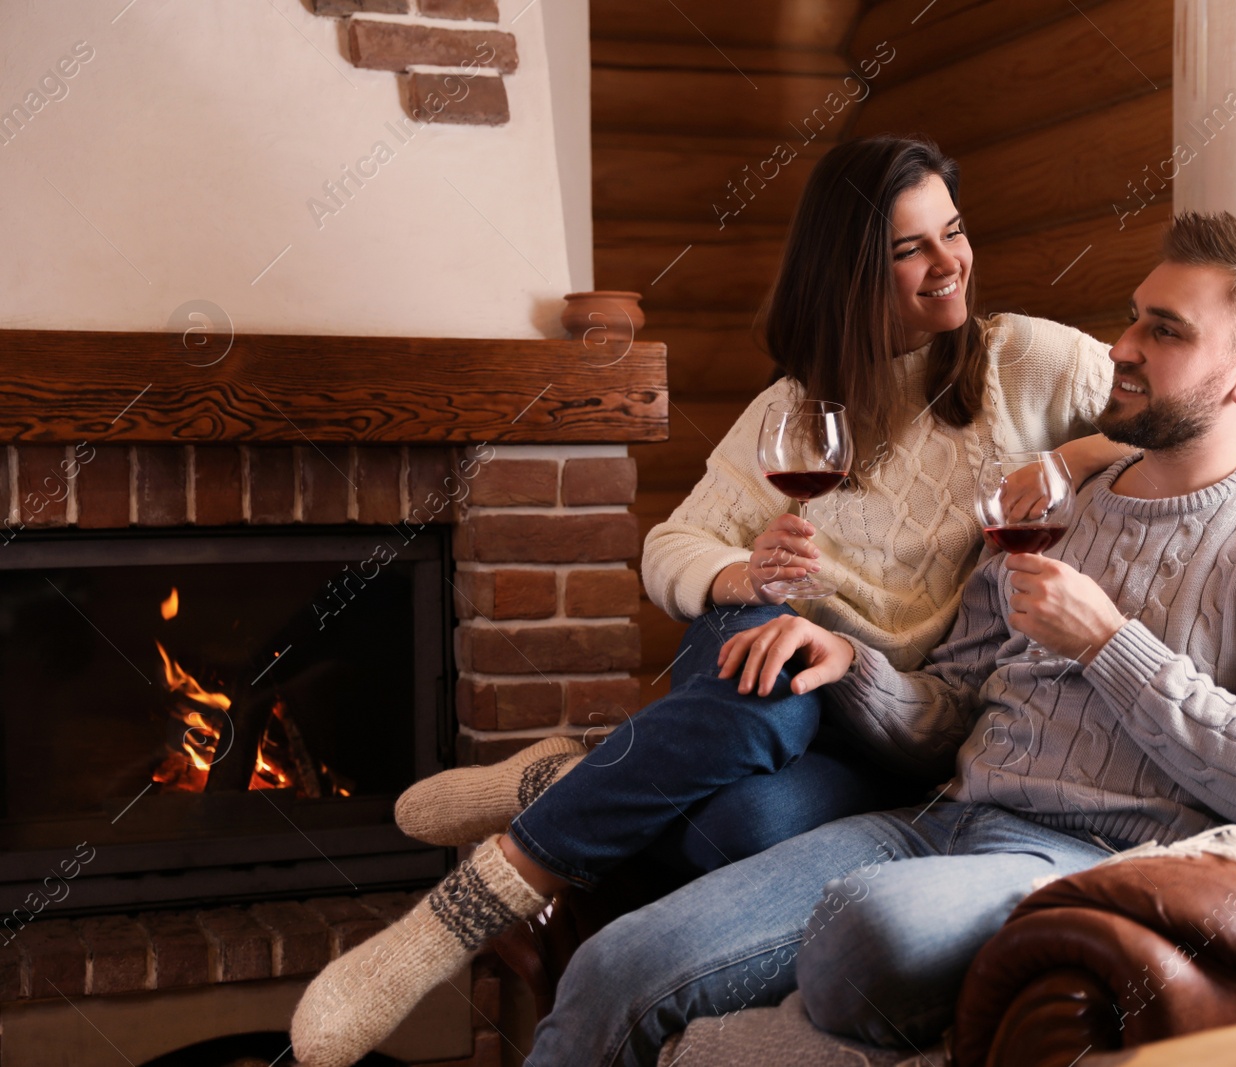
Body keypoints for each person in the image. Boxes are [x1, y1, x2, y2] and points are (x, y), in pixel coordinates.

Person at [290, 135, 1124, 1067]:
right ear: (851, 270)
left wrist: (1069, 459)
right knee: (770, 696)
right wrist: (745, 574)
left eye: (954, 233)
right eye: (910, 248)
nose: (949, 263)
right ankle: (453, 920)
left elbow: (1165, 418)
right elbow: (670, 547)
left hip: (884, 716)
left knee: (745, 826)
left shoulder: (1027, 360)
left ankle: (579, 775)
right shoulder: (794, 408)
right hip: (760, 667)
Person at [520, 211, 1236, 1066]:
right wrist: (850, 667)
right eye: (1133, 314)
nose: (1124, 345)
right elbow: (952, 707)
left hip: (1086, 862)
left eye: (1164, 330)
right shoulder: (1062, 504)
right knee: (614, 963)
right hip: (937, 821)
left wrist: (1107, 642)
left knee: (869, 930)